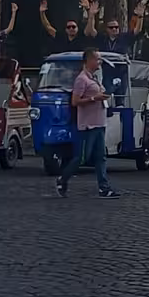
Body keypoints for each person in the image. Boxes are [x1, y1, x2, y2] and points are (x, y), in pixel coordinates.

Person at [57, 48, 118, 197]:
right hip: (87, 126)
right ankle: (62, 179)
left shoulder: (94, 78)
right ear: (89, 60)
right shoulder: (81, 79)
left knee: (100, 157)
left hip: (99, 123)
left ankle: (104, 188)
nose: (100, 62)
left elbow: (100, 94)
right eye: (97, 59)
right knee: (82, 158)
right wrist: (93, 99)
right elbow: (75, 101)